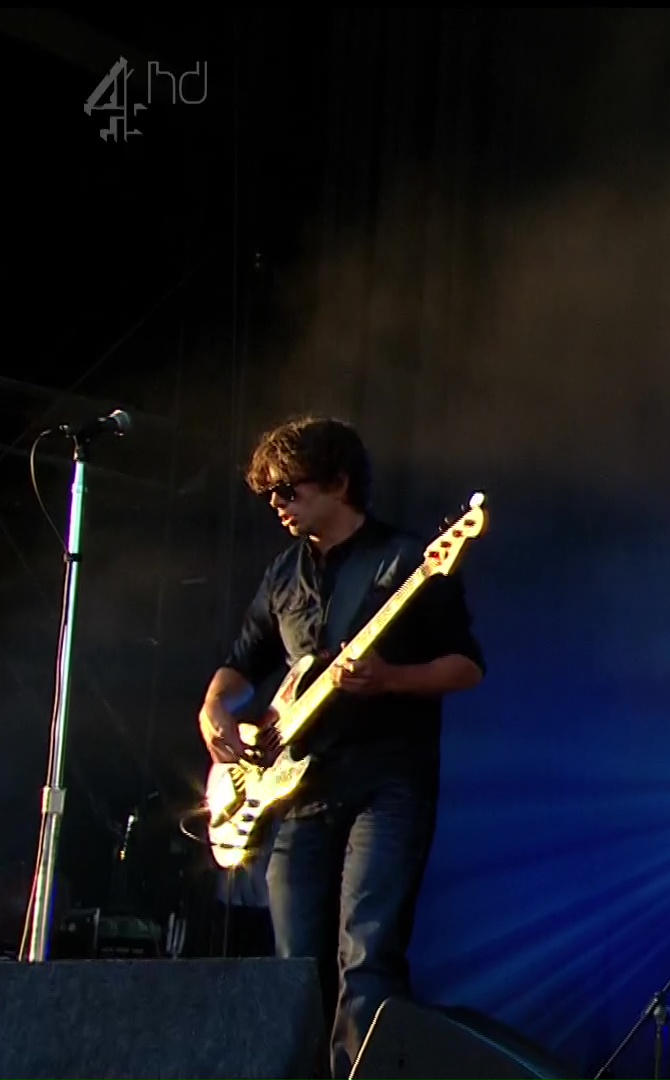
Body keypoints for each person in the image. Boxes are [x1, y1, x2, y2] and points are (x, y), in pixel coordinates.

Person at [195, 416, 485, 1080]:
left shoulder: (408, 560)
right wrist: (215, 712)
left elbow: (467, 667)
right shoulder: (282, 575)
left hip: (389, 784)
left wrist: (389, 679)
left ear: (338, 482)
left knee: (370, 952)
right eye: (270, 494)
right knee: (296, 962)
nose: (278, 504)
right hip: (298, 793)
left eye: (289, 490)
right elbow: (240, 663)